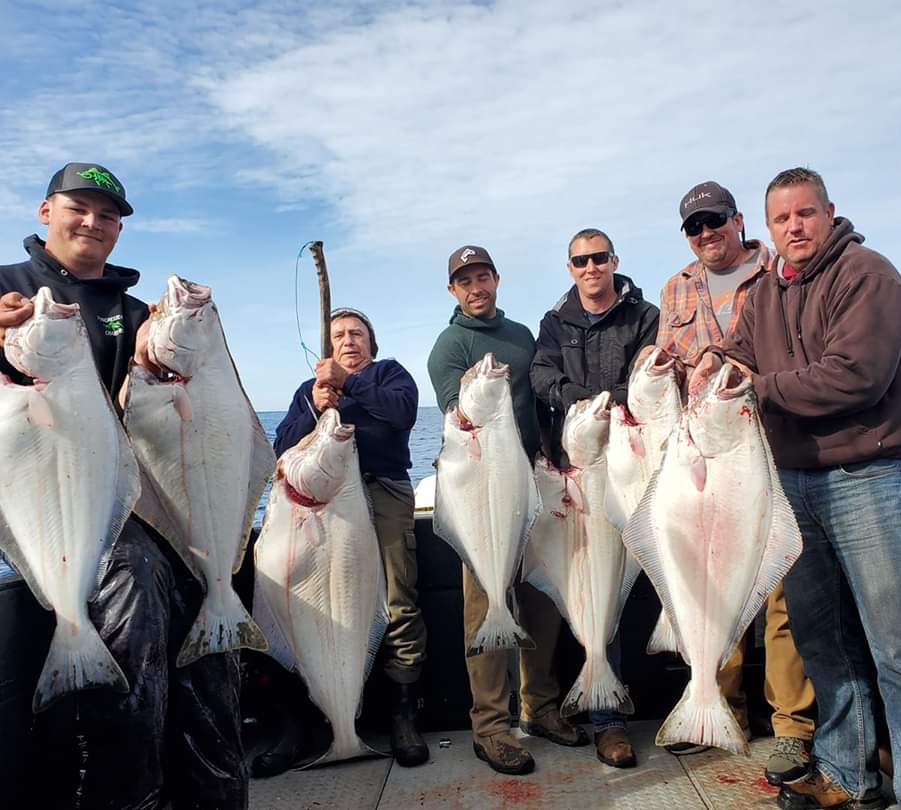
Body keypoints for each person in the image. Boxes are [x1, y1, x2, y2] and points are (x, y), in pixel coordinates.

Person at [693, 167, 901, 810]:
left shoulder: (869, 275)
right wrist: (714, 365)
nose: (795, 227)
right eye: (782, 219)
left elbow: (855, 378)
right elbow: (741, 354)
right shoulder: (763, 294)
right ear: (766, 230)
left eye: (805, 214)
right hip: (792, 485)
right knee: (823, 645)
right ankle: (846, 778)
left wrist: (755, 389)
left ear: (829, 213)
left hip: (869, 480)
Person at [0, 163, 248, 808]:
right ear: (44, 211)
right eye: (78, 208)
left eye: (108, 215)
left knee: (212, 620)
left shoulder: (135, 312)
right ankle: (130, 795)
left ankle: (214, 796)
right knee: (133, 594)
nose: (93, 222)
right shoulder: (6, 291)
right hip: (51, 506)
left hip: (132, 503)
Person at [655, 181, 815, 785]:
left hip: (769, 449)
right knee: (705, 585)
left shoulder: (778, 270)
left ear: (739, 220)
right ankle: (718, 710)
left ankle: (792, 729)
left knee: (778, 594)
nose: (705, 234)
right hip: (702, 454)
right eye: (693, 227)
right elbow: (668, 361)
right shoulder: (676, 287)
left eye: (715, 221)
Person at [427, 245, 587, 775]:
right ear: (452, 291)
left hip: (531, 483)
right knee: (486, 607)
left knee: (541, 597)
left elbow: (539, 399)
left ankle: (539, 708)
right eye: (464, 281)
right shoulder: (449, 345)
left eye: (482, 277)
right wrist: (476, 387)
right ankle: (490, 726)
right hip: (483, 495)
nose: (475, 287)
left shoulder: (521, 335)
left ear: (496, 279)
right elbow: (460, 415)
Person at [273, 307, 429, 767]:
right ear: (328, 348)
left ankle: (403, 715)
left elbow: (402, 414)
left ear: (371, 342)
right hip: (327, 505)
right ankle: (308, 720)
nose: (348, 340)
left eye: (357, 333)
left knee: (399, 601)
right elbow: (282, 448)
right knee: (312, 605)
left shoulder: (389, 375)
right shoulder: (310, 391)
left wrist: (350, 381)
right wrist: (315, 408)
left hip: (383, 492)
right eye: (339, 334)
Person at [529, 228, 659, 769]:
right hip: (570, 468)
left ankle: (609, 720)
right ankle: (574, 699)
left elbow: (651, 380)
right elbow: (541, 373)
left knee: (609, 584)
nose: (590, 267)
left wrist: (607, 404)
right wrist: (579, 401)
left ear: (614, 261)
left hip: (624, 464)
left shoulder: (643, 315)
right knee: (573, 581)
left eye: (598, 258)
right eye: (580, 260)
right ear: (570, 267)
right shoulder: (555, 322)